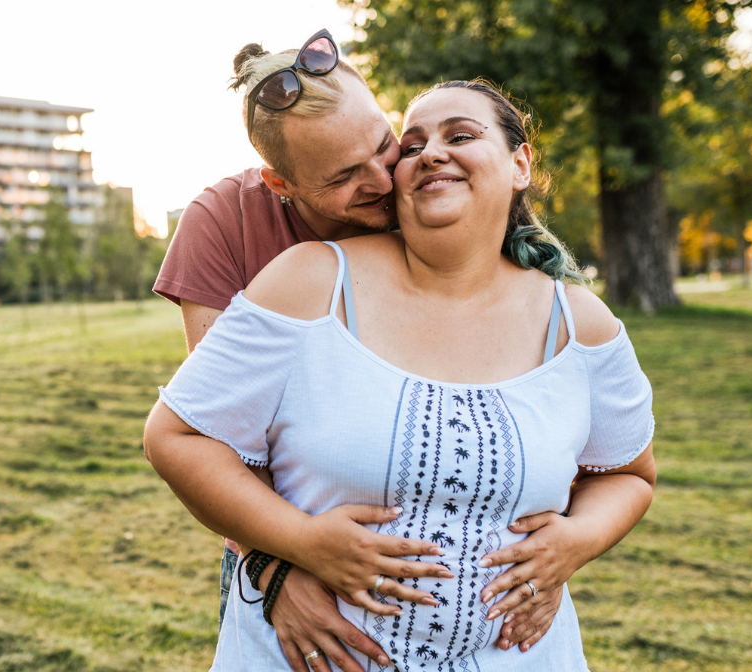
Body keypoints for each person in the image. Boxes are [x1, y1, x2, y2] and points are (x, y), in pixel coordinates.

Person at [153, 30, 640, 670]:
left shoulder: (575, 321)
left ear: (520, 164)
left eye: (388, 145)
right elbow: (211, 438)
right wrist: (280, 573)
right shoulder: (268, 254)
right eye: (348, 175)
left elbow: (625, 471)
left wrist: (574, 542)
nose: (387, 176)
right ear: (283, 185)